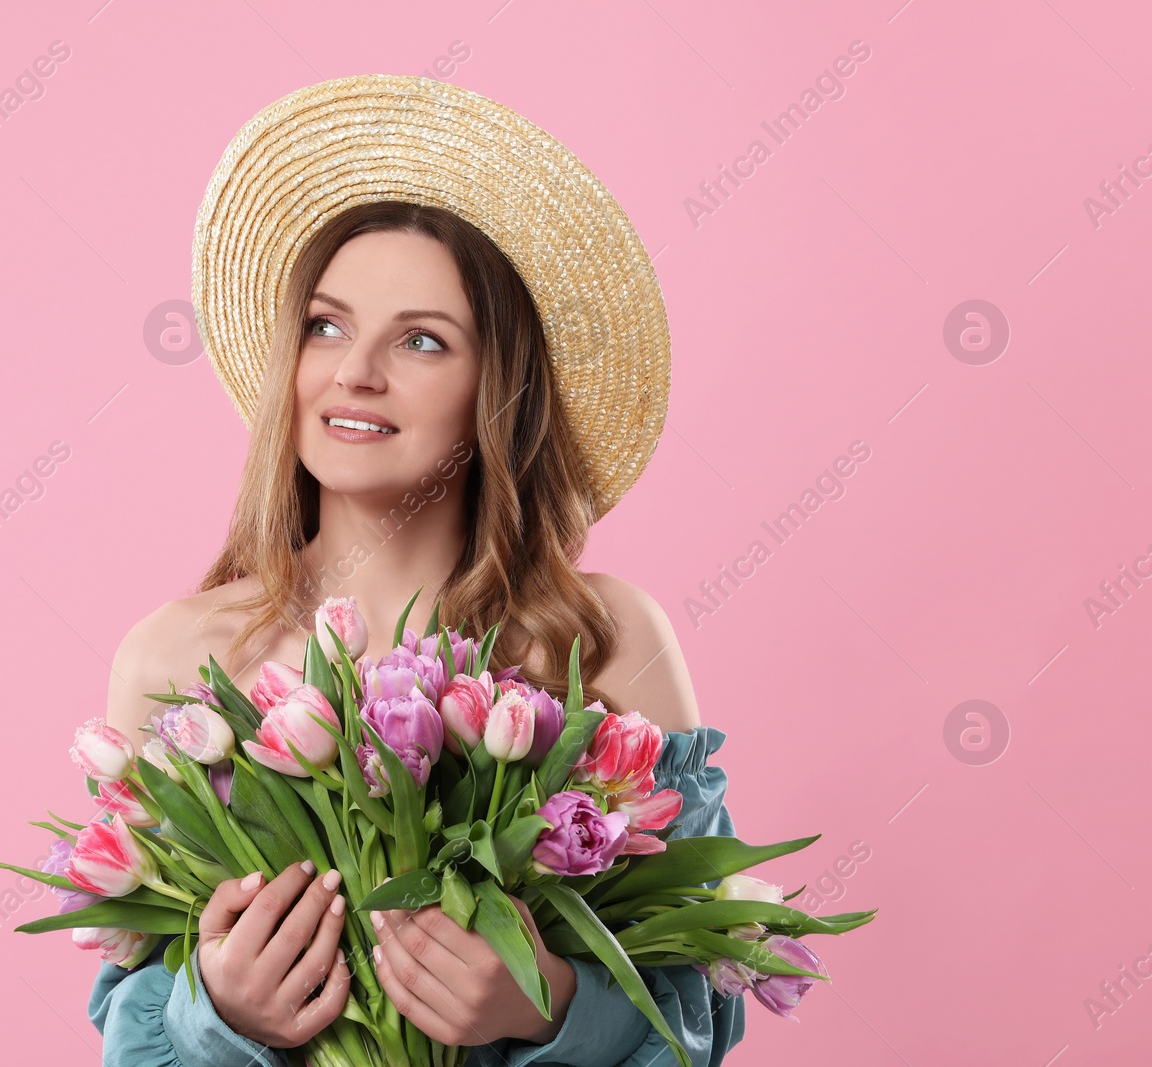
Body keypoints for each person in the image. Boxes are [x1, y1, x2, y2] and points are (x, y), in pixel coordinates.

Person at [86, 74, 746, 1066]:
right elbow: (129, 1033)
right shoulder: (179, 658)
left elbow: (703, 1006)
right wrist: (218, 1010)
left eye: (423, 340)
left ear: (497, 387)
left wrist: (546, 999)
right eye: (325, 324)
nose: (355, 371)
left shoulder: (597, 642)